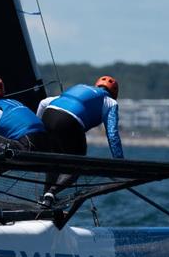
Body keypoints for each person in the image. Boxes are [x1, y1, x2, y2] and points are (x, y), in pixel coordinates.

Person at [37, 75, 124, 205]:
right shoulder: (110, 101)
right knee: (78, 165)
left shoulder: (80, 88)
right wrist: (119, 161)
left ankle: (45, 198)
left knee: (54, 161)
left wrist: (38, 130)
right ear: (114, 94)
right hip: (70, 121)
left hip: (49, 114)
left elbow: (44, 102)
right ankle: (52, 193)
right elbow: (112, 133)